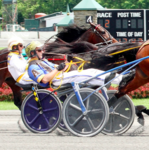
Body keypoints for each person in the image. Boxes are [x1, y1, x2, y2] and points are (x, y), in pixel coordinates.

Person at [25, 41, 123, 88]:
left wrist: (64, 66)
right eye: (39, 50)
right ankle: (121, 81)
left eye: (42, 49)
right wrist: (58, 68)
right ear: (33, 53)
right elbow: (45, 79)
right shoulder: (32, 66)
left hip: (61, 76)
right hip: (57, 80)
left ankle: (121, 78)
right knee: (89, 75)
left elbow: (58, 69)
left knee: (92, 71)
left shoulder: (43, 61)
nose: (42, 51)